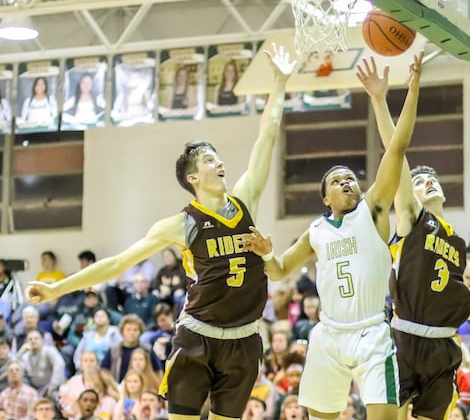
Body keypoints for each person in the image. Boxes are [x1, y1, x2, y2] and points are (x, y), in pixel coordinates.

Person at [26, 44, 295, 420]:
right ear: (193, 177)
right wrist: (57, 288)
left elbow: (267, 136)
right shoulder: (180, 224)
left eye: (217, 156)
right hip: (198, 336)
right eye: (208, 159)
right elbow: (117, 263)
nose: (219, 162)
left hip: (244, 339)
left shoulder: (245, 198)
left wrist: (279, 84)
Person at [241, 53, 424, 420]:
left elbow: (397, 148)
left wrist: (389, 95)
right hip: (328, 334)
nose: (347, 182)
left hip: (372, 332)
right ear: (325, 197)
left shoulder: (372, 209)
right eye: (337, 180)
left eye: (350, 177)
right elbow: (278, 271)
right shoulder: (317, 230)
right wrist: (264, 253)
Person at [360, 53, 470, 420]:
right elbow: (396, 153)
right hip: (405, 340)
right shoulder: (413, 220)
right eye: (418, 182)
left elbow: (456, 305)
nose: (427, 182)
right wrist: (386, 98)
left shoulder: (456, 244)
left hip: (443, 345)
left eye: (432, 179)